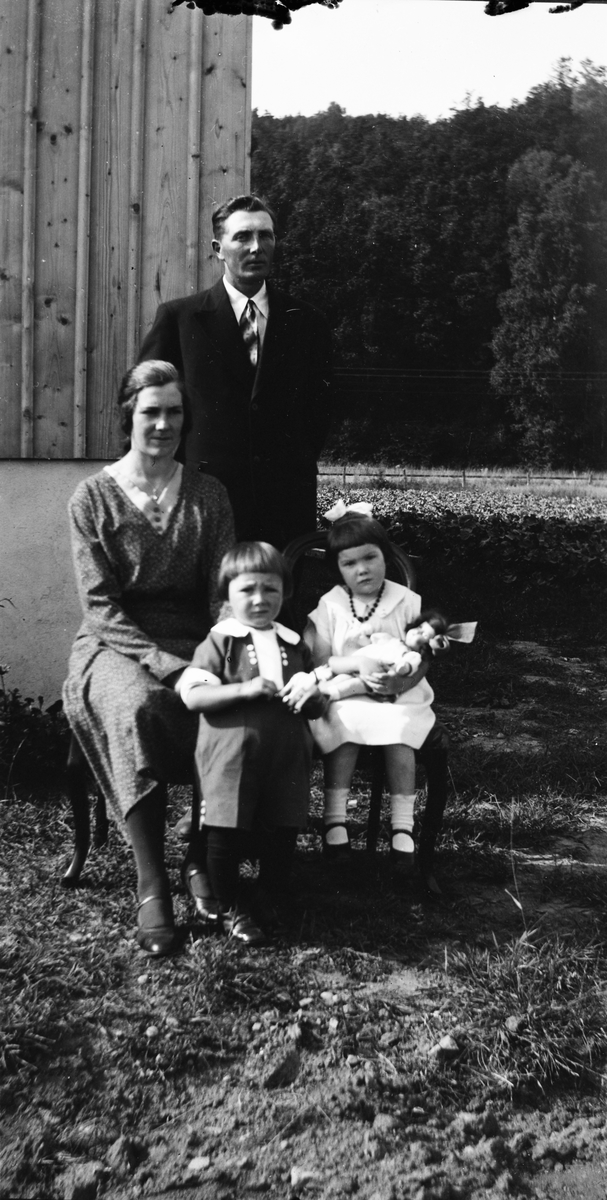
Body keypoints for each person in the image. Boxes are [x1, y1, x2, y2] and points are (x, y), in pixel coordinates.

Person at [62, 360, 235, 957]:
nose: (163, 424)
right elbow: (101, 608)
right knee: (138, 705)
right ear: (128, 416)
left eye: (174, 412)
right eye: (150, 412)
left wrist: (222, 655)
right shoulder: (92, 497)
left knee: (230, 708)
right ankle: (151, 880)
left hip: (197, 636)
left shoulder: (208, 494)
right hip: (116, 643)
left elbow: (222, 594)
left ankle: (197, 859)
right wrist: (172, 668)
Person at [137, 194, 334, 549]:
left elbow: (321, 410)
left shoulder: (307, 322)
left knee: (276, 602)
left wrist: (295, 463)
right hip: (201, 503)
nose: (256, 247)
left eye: (266, 236)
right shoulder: (180, 320)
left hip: (284, 507)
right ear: (218, 247)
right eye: (243, 236)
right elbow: (146, 414)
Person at [283, 510, 450, 886]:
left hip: (398, 694)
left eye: (370, 558)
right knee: (344, 722)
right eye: (350, 563)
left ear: (385, 557)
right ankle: (335, 821)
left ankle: (402, 827)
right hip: (346, 691)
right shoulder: (332, 605)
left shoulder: (406, 600)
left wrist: (398, 683)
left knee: (399, 728)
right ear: (337, 569)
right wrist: (356, 663)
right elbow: (322, 659)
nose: (362, 570)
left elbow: (420, 655)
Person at [177, 542, 327, 944]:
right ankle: (228, 906)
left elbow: (316, 706)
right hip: (231, 754)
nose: (260, 600)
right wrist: (242, 691)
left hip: (286, 755)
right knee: (226, 830)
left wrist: (313, 698)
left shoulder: (295, 644)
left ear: (286, 592)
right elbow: (193, 696)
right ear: (228, 595)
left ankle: (267, 894)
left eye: (271, 589)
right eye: (247, 590)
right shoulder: (221, 641)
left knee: (283, 831)